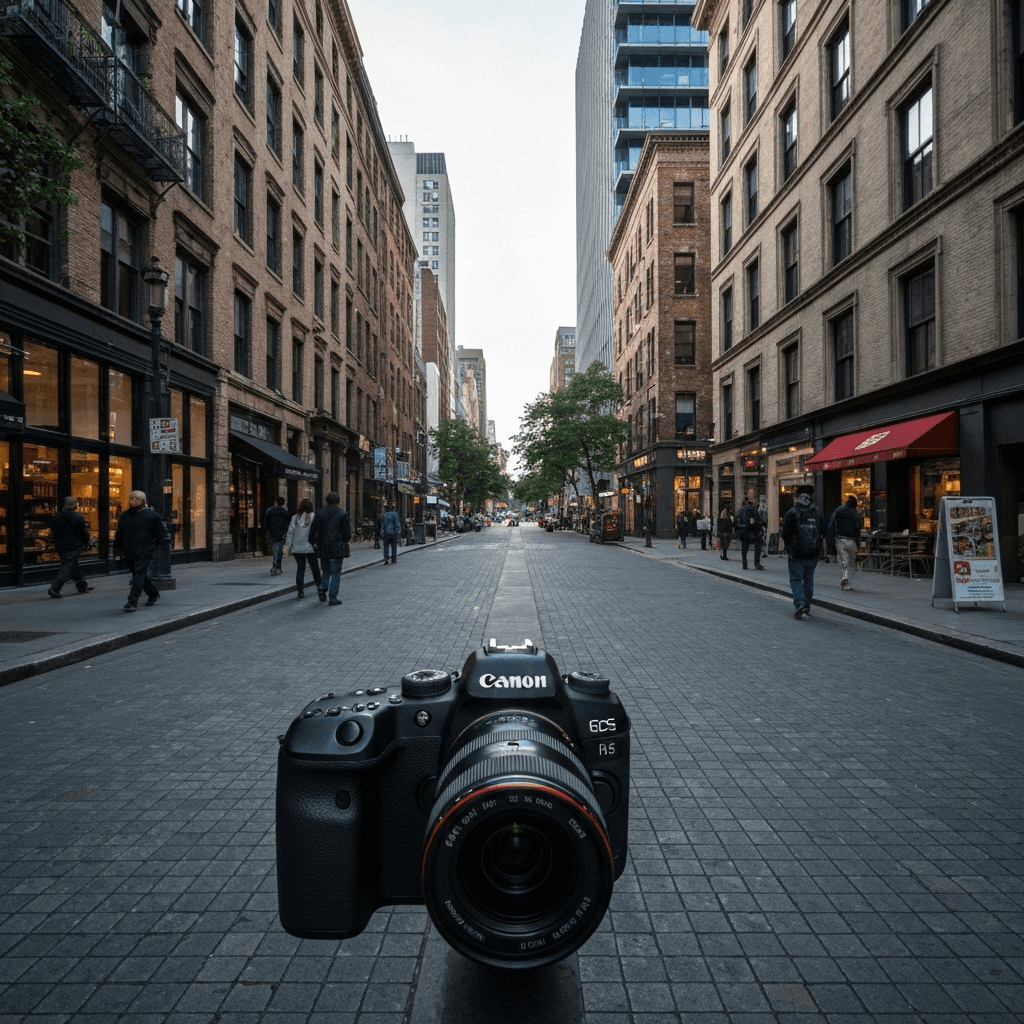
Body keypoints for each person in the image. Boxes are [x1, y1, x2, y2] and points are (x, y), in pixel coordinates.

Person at [113, 490, 170, 612]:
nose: (132, 501)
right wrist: (117, 549)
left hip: (145, 550)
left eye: (135, 499)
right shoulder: (125, 515)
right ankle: (153, 593)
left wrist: (159, 546)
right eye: (131, 498)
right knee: (139, 574)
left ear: (142, 501)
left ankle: (132, 601)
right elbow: (119, 533)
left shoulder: (152, 515)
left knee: (138, 573)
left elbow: (162, 533)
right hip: (129, 550)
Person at [781, 484, 826, 619]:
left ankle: (800, 602)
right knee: (808, 580)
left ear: (797, 498)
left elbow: (785, 533)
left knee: (795, 579)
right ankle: (807, 605)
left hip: (796, 553)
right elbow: (823, 531)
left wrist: (789, 547)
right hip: (813, 554)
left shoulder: (792, 512)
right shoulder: (817, 512)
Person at [47, 496, 94, 598]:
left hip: (60, 545)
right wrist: (86, 542)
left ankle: (82, 585)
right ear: (74, 505)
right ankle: (55, 588)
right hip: (73, 545)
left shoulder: (57, 518)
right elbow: (82, 532)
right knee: (67, 566)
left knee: (73, 564)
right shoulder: (77, 517)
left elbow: (54, 533)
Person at [309, 491, 351, 605]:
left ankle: (322, 587)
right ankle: (333, 597)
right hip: (337, 547)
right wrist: (344, 541)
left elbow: (313, 530)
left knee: (326, 570)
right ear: (337, 501)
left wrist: (313, 542)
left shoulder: (320, 512)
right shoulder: (342, 513)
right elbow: (347, 532)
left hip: (323, 547)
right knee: (336, 573)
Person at [285, 497, 321, 599]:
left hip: (298, 548)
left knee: (300, 569)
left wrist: (289, 546)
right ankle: (319, 587)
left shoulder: (295, 518)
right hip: (310, 547)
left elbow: (290, 533)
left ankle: (300, 591)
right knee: (315, 568)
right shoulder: (313, 516)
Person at [827, 495, 864, 591]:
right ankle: (846, 581)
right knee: (851, 562)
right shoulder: (856, 513)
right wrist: (858, 542)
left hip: (841, 539)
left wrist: (830, 541)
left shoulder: (839, 510)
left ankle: (845, 578)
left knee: (844, 560)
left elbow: (831, 524)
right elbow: (859, 527)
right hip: (852, 541)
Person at [264, 495, 290, 576]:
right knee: (278, 551)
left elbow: (266, 521)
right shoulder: (285, 511)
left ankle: (276, 567)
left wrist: (268, 530)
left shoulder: (269, 510)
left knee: (275, 550)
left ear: (275, 502)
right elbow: (288, 522)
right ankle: (276, 567)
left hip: (271, 533)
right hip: (280, 533)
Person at [736, 498, 764, 570]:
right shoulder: (753, 511)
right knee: (756, 546)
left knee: (745, 548)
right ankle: (756, 563)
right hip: (752, 531)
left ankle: (745, 564)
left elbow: (738, 523)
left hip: (747, 532)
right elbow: (760, 521)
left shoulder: (742, 510)